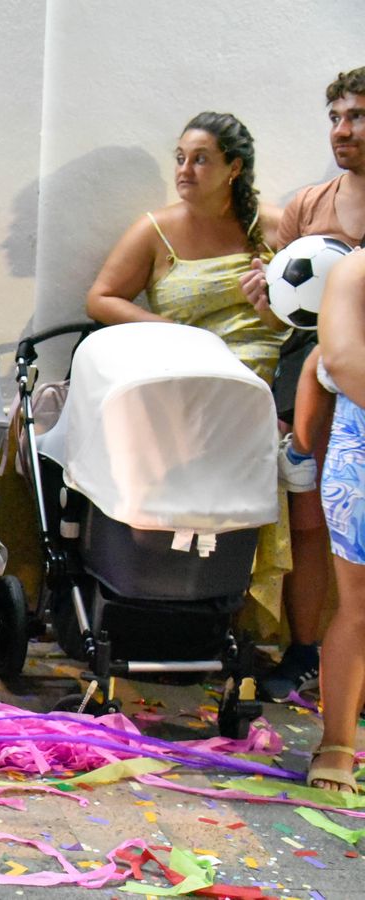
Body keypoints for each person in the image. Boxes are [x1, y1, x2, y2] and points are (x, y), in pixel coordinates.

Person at [86, 111, 290, 632]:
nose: (186, 170)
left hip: (256, 382)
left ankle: (228, 607)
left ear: (234, 169)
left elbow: (302, 313)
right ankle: (159, 591)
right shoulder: (156, 229)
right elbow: (101, 299)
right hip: (185, 376)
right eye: (180, 158)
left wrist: (270, 307)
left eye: (201, 160)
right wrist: (169, 330)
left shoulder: (271, 228)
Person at [244, 67, 365, 701]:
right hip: (307, 370)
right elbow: (280, 311)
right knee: (313, 517)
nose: (343, 131)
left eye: (358, 117)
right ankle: (306, 650)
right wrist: (266, 295)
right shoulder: (309, 205)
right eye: (336, 118)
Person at [310, 247, 365, 793]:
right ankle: (337, 743)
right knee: (360, 609)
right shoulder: (357, 269)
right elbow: (342, 360)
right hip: (363, 458)